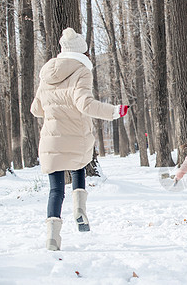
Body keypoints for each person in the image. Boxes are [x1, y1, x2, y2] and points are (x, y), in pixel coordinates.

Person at [30, 27, 129, 251]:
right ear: (81, 53)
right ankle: (79, 209)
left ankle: (53, 238)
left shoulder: (46, 75)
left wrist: (55, 109)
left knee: (55, 190)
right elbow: (84, 104)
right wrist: (114, 111)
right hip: (75, 134)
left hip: (51, 139)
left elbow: (36, 109)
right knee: (79, 166)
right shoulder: (82, 71)